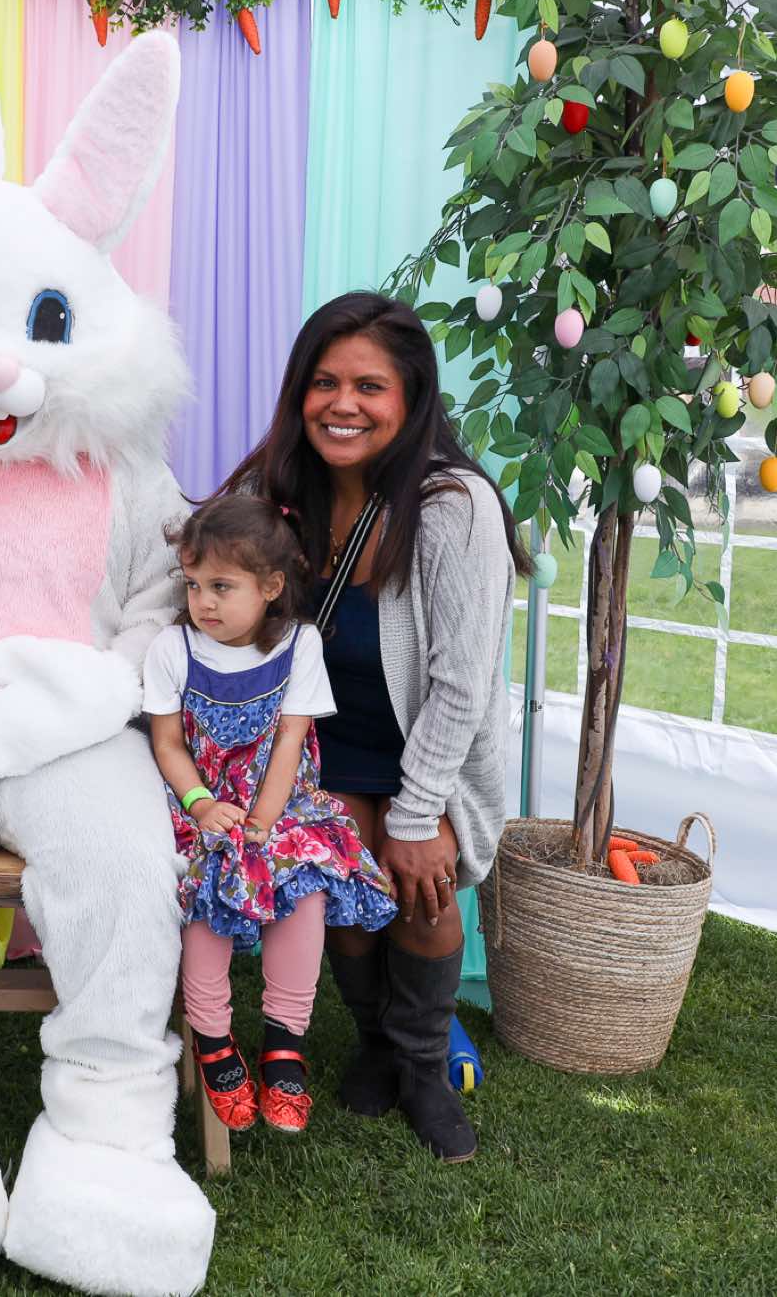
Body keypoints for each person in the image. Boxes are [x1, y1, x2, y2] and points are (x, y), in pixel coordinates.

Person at [219, 291, 525, 1164]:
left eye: (368, 386)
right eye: (324, 382)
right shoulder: (276, 492)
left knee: (418, 887)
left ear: (411, 397)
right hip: (322, 750)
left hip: (429, 752)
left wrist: (417, 814)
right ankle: (378, 1042)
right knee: (343, 893)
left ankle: (424, 1068)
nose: (342, 404)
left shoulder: (454, 506)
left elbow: (462, 686)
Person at [145, 495, 398, 1136]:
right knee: (209, 891)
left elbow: (290, 739)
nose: (203, 602)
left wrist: (263, 823)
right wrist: (205, 806)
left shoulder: (299, 644)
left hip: (281, 803)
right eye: (194, 584)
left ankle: (285, 1042)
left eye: (221, 587)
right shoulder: (172, 648)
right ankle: (212, 1037)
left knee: (303, 885)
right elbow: (168, 743)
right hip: (200, 804)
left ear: (271, 587)